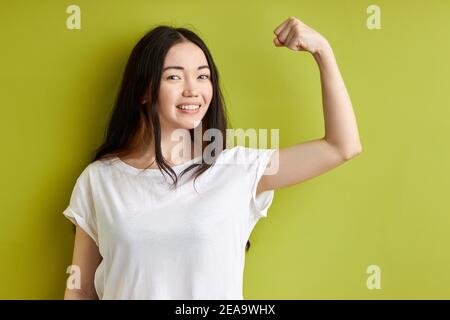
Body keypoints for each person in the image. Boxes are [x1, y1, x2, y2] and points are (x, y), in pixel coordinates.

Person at [63, 16, 362, 300]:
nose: (192, 90)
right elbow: (80, 290)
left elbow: (341, 146)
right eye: (174, 77)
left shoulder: (237, 168)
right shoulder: (99, 179)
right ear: (143, 91)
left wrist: (323, 51)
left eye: (202, 76)